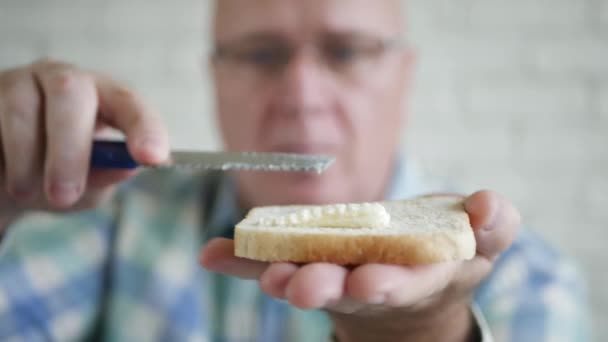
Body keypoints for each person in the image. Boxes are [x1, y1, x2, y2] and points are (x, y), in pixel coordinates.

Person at [0, 0, 591, 341]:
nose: (303, 96)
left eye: (346, 50)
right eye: (261, 54)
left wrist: (426, 336)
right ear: (214, 76)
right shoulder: (109, 221)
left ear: (405, 76)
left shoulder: (527, 282)